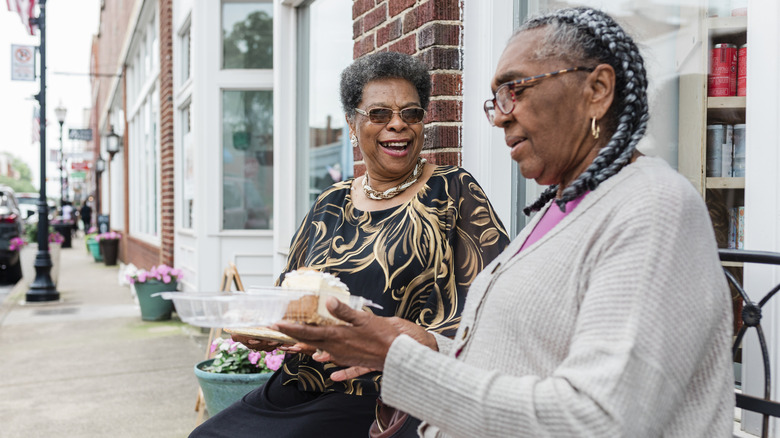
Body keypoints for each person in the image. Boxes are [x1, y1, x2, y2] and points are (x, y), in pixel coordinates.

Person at [276, 7, 735, 437]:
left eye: (515, 89)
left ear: (596, 91)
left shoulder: (652, 208)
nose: (499, 116)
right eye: (495, 98)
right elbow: (519, 354)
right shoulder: (557, 210)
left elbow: (597, 421)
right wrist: (422, 341)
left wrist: (395, 359)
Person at [190, 51, 510, 437]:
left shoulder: (454, 191)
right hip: (300, 384)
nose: (398, 125)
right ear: (352, 124)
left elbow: (497, 303)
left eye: (411, 114)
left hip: (382, 397)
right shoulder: (330, 202)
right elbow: (290, 295)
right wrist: (263, 326)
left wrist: (419, 342)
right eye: (379, 114)